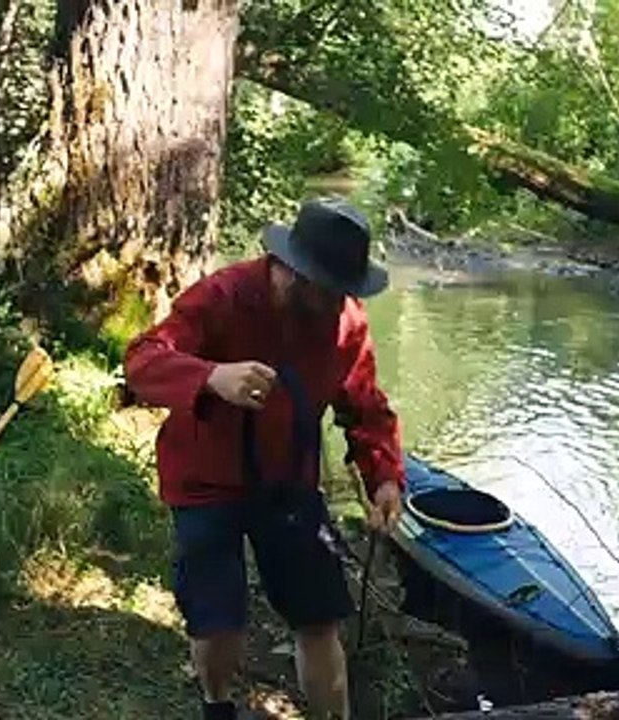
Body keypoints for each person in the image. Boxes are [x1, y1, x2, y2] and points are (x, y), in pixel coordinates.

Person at [123, 198, 405, 720]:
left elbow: (365, 406)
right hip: (205, 481)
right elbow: (143, 361)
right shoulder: (224, 297)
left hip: (289, 485)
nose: (339, 303)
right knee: (217, 623)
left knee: (319, 618)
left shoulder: (345, 321)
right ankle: (218, 704)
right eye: (329, 289)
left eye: (346, 290)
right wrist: (210, 376)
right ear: (294, 272)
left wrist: (385, 475)